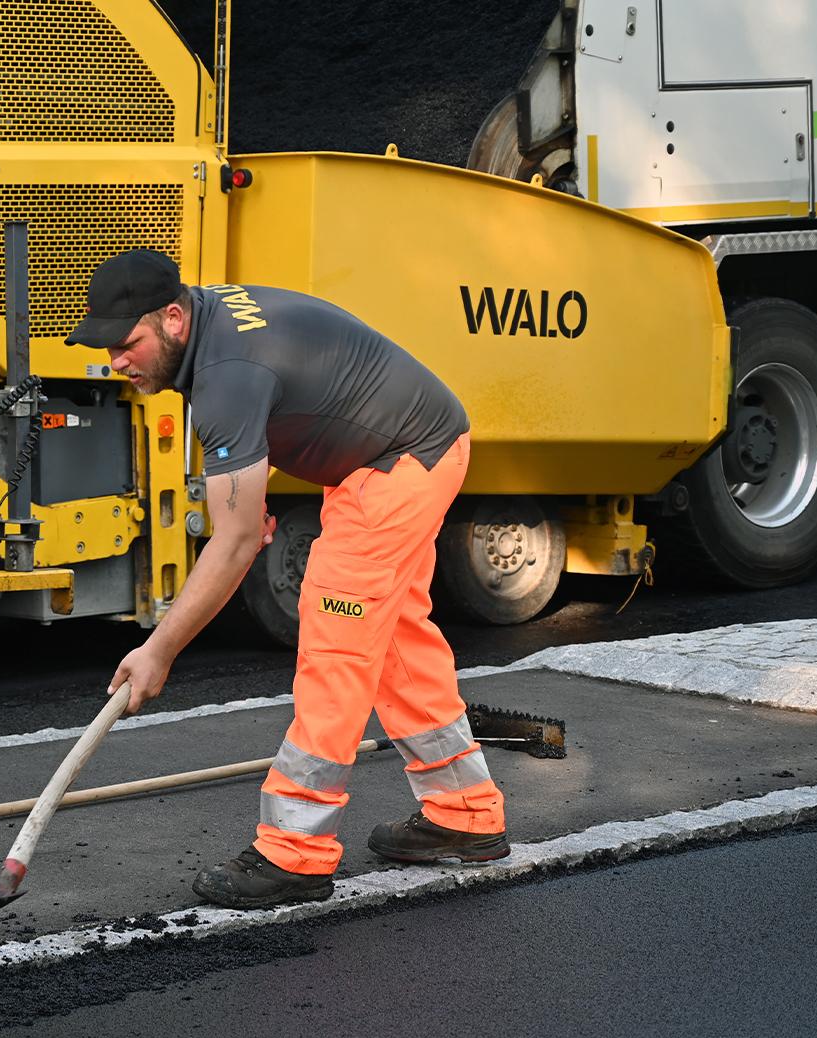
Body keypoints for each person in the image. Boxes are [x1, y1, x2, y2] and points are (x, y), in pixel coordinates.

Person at [67, 249, 508, 909]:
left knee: (336, 644)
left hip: (400, 460)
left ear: (173, 319)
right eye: (105, 348)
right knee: (391, 640)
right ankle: (464, 813)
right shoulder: (209, 329)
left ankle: (294, 854)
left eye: (126, 344)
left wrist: (157, 650)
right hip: (406, 452)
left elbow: (237, 539)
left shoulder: (226, 375)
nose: (116, 362)